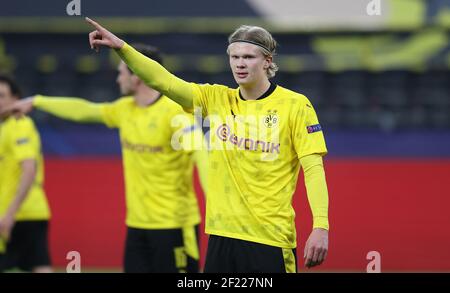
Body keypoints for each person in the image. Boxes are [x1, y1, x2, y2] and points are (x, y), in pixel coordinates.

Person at [85, 18, 330, 273]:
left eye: (248, 56)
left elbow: (313, 169)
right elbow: (164, 82)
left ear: (268, 60)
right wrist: (122, 48)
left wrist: (320, 226)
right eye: (234, 57)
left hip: (269, 239)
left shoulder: (296, 105)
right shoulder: (215, 99)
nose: (240, 63)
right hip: (221, 235)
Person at [5, 45, 207, 273]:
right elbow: (86, 110)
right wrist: (38, 102)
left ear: (138, 76)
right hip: (137, 226)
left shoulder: (176, 114)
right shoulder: (124, 110)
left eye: (122, 72)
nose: (118, 79)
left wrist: (214, 200)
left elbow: (201, 154)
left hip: (176, 226)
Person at [0, 75, 52, 273]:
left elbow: (29, 168)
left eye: (1, 95)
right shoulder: (5, 127)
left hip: (22, 214)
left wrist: (10, 214)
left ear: (16, 99)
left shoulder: (18, 123)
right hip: (13, 214)